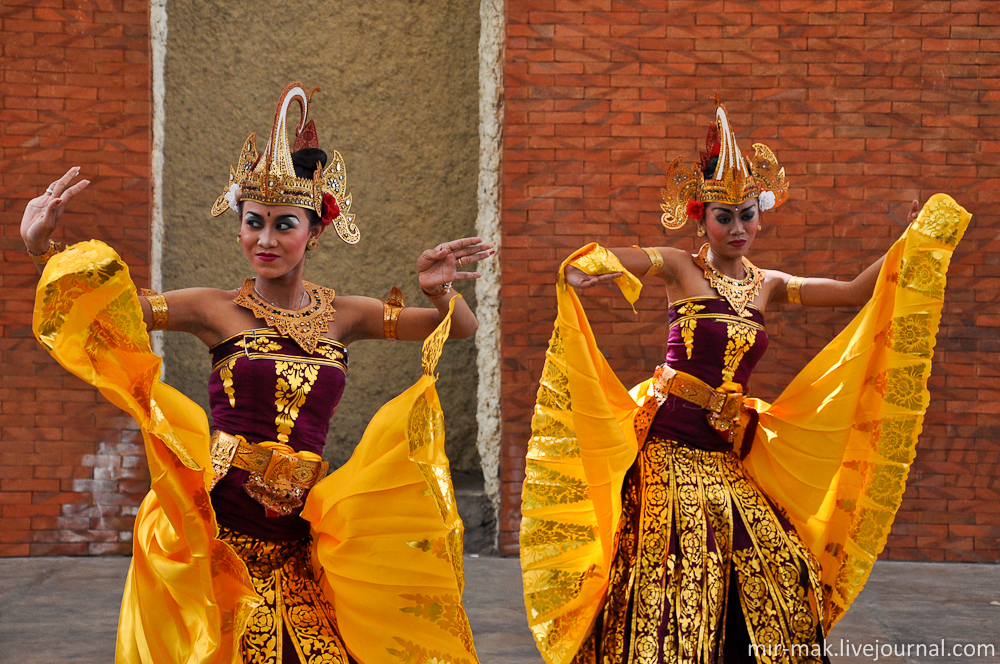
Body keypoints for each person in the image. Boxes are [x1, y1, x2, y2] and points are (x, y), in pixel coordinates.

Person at [22, 83, 491, 664]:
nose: (265, 240)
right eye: (253, 222)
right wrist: (46, 251)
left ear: (314, 232)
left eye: (284, 224)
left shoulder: (346, 315)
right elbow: (114, 313)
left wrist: (439, 287)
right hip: (222, 518)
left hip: (300, 525)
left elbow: (458, 328)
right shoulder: (213, 308)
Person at [519, 99, 970, 663]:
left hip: (725, 449)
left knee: (780, 561)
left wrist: (910, 241)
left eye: (748, 214)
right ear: (700, 218)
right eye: (724, 216)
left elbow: (855, 291)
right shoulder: (682, 268)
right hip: (668, 444)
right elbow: (630, 259)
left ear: (762, 214)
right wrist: (590, 266)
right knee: (684, 566)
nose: (739, 228)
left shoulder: (769, 283)